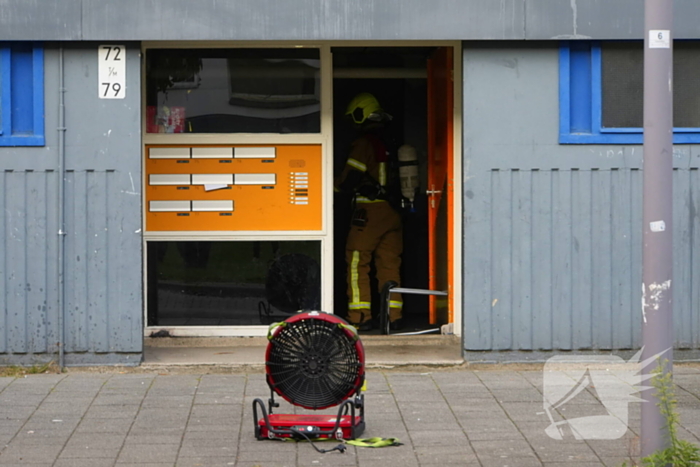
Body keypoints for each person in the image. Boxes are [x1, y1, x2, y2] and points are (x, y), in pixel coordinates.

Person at [336, 93, 404, 332]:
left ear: (360, 115)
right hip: (393, 212)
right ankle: (393, 316)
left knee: (356, 262)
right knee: (389, 264)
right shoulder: (392, 141)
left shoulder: (364, 143)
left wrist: (332, 185)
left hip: (370, 211)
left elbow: (349, 180)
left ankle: (360, 316)